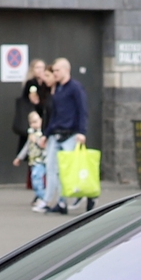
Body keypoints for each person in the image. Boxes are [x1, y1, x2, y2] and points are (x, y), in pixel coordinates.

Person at [40, 56, 88, 213]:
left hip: (70, 134)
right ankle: (59, 203)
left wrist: (82, 132)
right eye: (53, 71)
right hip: (56, 134)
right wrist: (46, 134)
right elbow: (54, 115)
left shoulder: (75, 88)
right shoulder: (58, 89)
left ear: (66, 70)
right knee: (52, 169)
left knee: (68, 170)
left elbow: (82, 110)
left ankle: (81, 195)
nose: (54, 73)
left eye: (57, 70)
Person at [17, 59, 52, 207]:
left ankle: (42, 190)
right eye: (37, 67)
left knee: (42, 155)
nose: (40, 70)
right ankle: (35, 186)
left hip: (42, 120)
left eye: (42, 68)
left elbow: (45, 101)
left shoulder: (46, 84)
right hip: (32, 119)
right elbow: (28, 100)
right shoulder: (31, 83)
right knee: (31, 150)